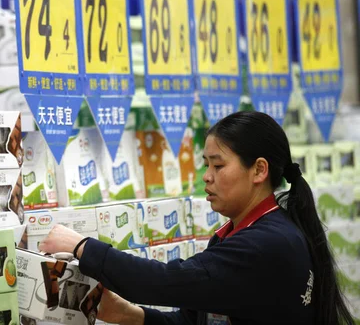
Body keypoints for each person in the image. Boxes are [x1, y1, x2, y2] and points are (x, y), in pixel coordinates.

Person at [39, 111, 354, 325]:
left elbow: (164, 281)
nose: (206, 177)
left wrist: (82, 246)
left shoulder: (265, 244)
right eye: (206, 165)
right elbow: (196, 319)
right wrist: (133, 315)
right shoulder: (238, 233)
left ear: (259, 170)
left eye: (218, 166)